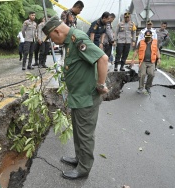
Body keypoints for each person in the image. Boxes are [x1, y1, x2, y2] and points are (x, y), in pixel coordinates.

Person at [42, 16, 109, 180]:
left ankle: (84, 168)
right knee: (79, 132)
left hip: (86, 97)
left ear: (57, 31)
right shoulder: (70, 41)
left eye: (52, 38)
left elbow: (103, 58)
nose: (54, 42)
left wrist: (101, 85)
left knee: (85, 134)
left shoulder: (78, 38)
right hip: (78, 96)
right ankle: (79, 159)